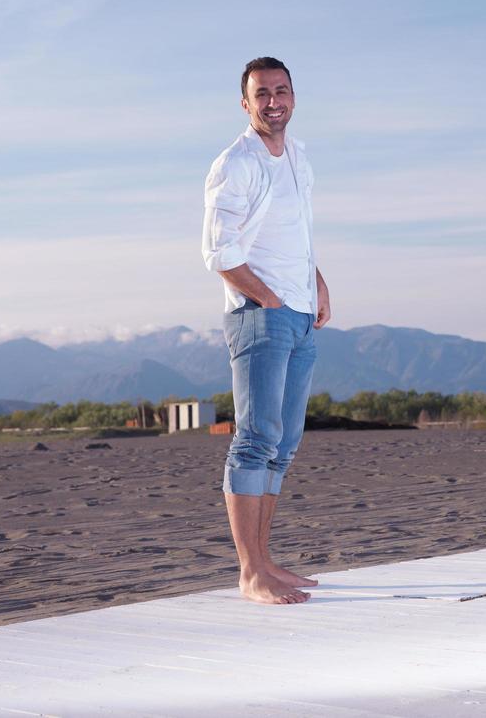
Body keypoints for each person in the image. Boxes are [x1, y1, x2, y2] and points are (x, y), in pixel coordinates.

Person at [202, 56, 331, 605]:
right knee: (253, 441)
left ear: (294, 97)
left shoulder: (298, 156)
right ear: (245, 103)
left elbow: (293, 235)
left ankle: (267, 561)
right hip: (261, 315)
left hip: (300, 312)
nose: (273, 101)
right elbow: (218, 252)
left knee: (283, 443)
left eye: (281, 91)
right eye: (262, 94)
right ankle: (250, 571)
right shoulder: (237, 163)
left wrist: (315, 281)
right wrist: (269, 299)